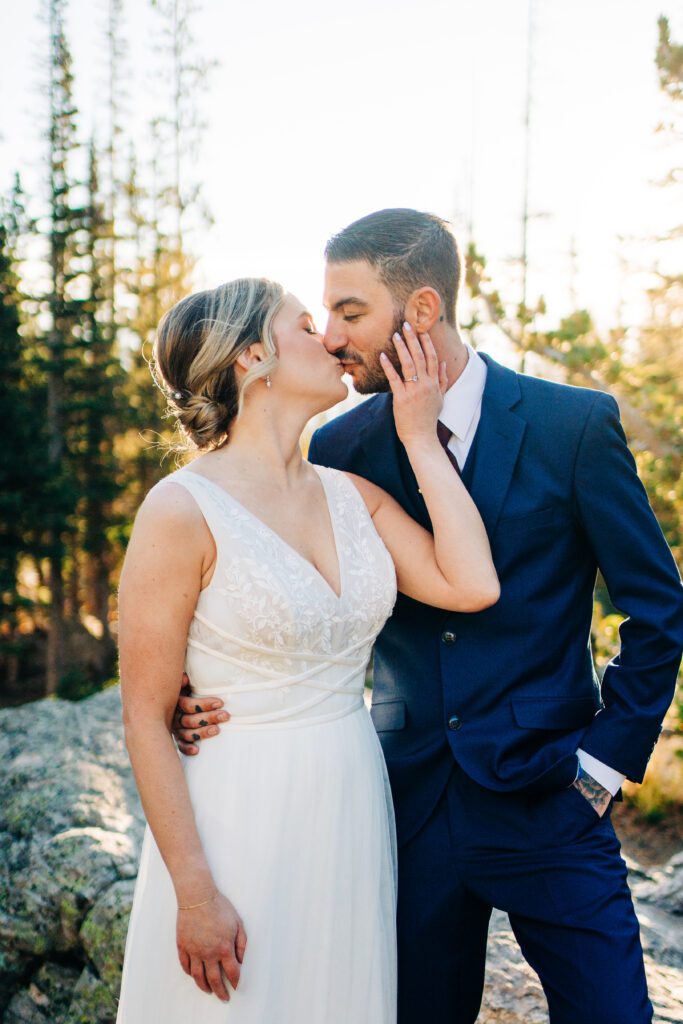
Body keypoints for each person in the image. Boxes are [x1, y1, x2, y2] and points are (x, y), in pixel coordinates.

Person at [178, 210, 683, 1024]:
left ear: (418, 310)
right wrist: (187, 689)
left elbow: (658, 611)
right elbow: (256, 576)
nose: (333, 337)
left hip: (549, 791)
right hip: (402, 802)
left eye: (349, 312)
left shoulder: (571, 426)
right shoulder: (340, 447)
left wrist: (603, 765)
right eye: (324, 316)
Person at [115, 276, 499, 1023]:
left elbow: (471, 583)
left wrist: (419, 438)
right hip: (236, 813)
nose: (329, 338)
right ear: (250, 357)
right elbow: (145, 717)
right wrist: (195, 893)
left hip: (350, 802)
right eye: (303, 324)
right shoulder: (178, 509)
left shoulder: (353, 495)